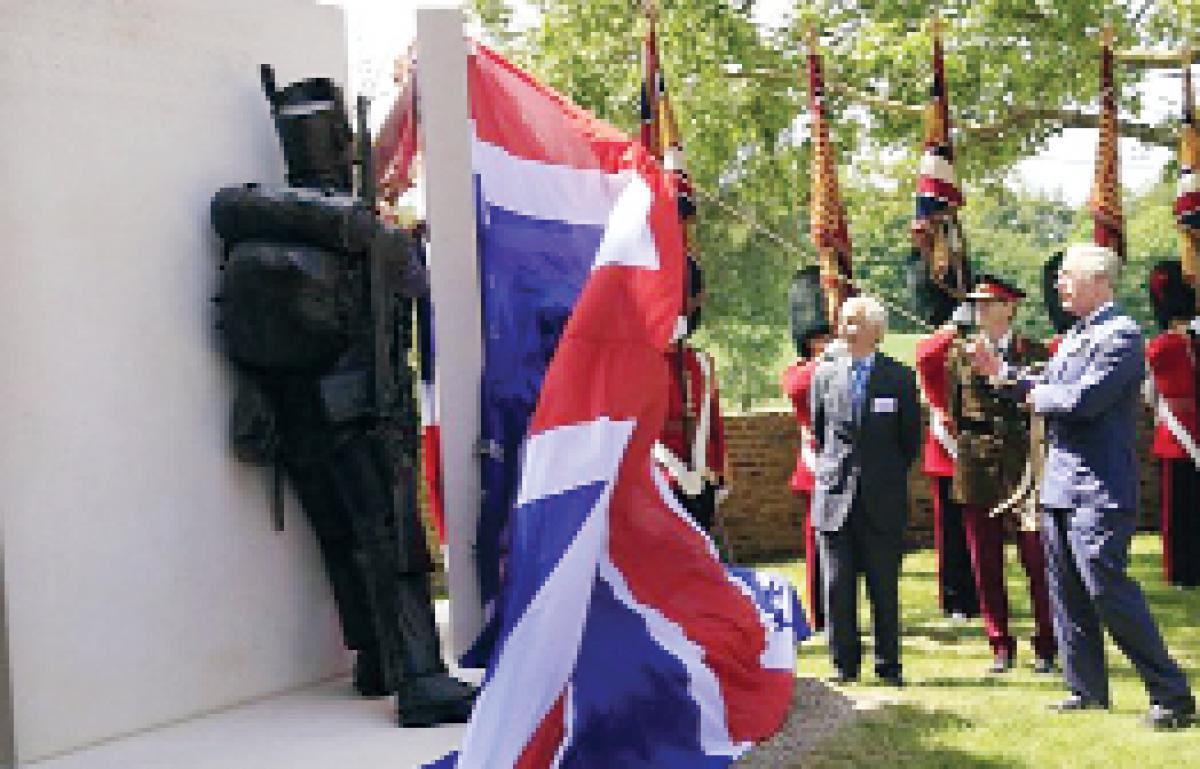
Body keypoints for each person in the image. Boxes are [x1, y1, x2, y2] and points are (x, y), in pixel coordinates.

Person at [970, 243, 1195, 729]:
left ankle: (1172, 695)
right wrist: (1001, 374)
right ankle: (1086, 689)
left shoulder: (1121, 335)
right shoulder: (1074, 336)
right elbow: (1044, 385)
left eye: (1067, 277)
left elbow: (1083, 400)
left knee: (1106, 587)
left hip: (1100, 486)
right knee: (1068, 592)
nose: (1059, 285)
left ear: (1098, 281)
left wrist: (1030, 390)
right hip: (1061, 484)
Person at [946, 276, 1056, 674]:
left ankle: (1047, 643)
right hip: (978, 464)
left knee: (1037, 559)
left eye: (990, 303)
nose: (981, 310)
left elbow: (1040, 402)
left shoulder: (1034, 351)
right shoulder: (960, 354)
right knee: (985, 561)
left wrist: (1003, 370)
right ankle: (1000, 645)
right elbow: (956, 411)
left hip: (1025, 461)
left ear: (1010, 307)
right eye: (977, 304)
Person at [810, 295, 920, 685]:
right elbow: (820, 431)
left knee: (883, 586)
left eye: (855, 321)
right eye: (843, 321)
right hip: (835, 497)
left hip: (881, 499)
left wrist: (883, 477)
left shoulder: (900, 378)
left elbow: (910, 444)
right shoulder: (824, 376)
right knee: (838, 586)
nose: (845, 328)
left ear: (877, 330)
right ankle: (844, 664)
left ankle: (888, 665)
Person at [655, 256, 728, 537]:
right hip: (659, 479)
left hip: (699, 478)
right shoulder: (642, 364)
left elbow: (713, 425)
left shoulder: (701, 364)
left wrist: (718, 467)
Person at [916, 311, 981, 621]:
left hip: (978, 454)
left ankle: (980, 593)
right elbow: (925, 355)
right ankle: (956, 598)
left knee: (979, 532)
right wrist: (950, 329)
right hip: (946, 457)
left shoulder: (975, 355)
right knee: (952, 534)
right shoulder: (936, 357)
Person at [781, 265, 833, 631]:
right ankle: (820, 613)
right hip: (816, 470)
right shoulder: (802, 371)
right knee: (817, 549)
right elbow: (801, 389)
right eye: (822, 336)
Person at [1145, 260, 1200, 588]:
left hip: (1175, 435)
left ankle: (1181, 572)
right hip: (1188, 430)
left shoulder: (1159, 345)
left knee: (1176, 512)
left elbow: (1150, 394)